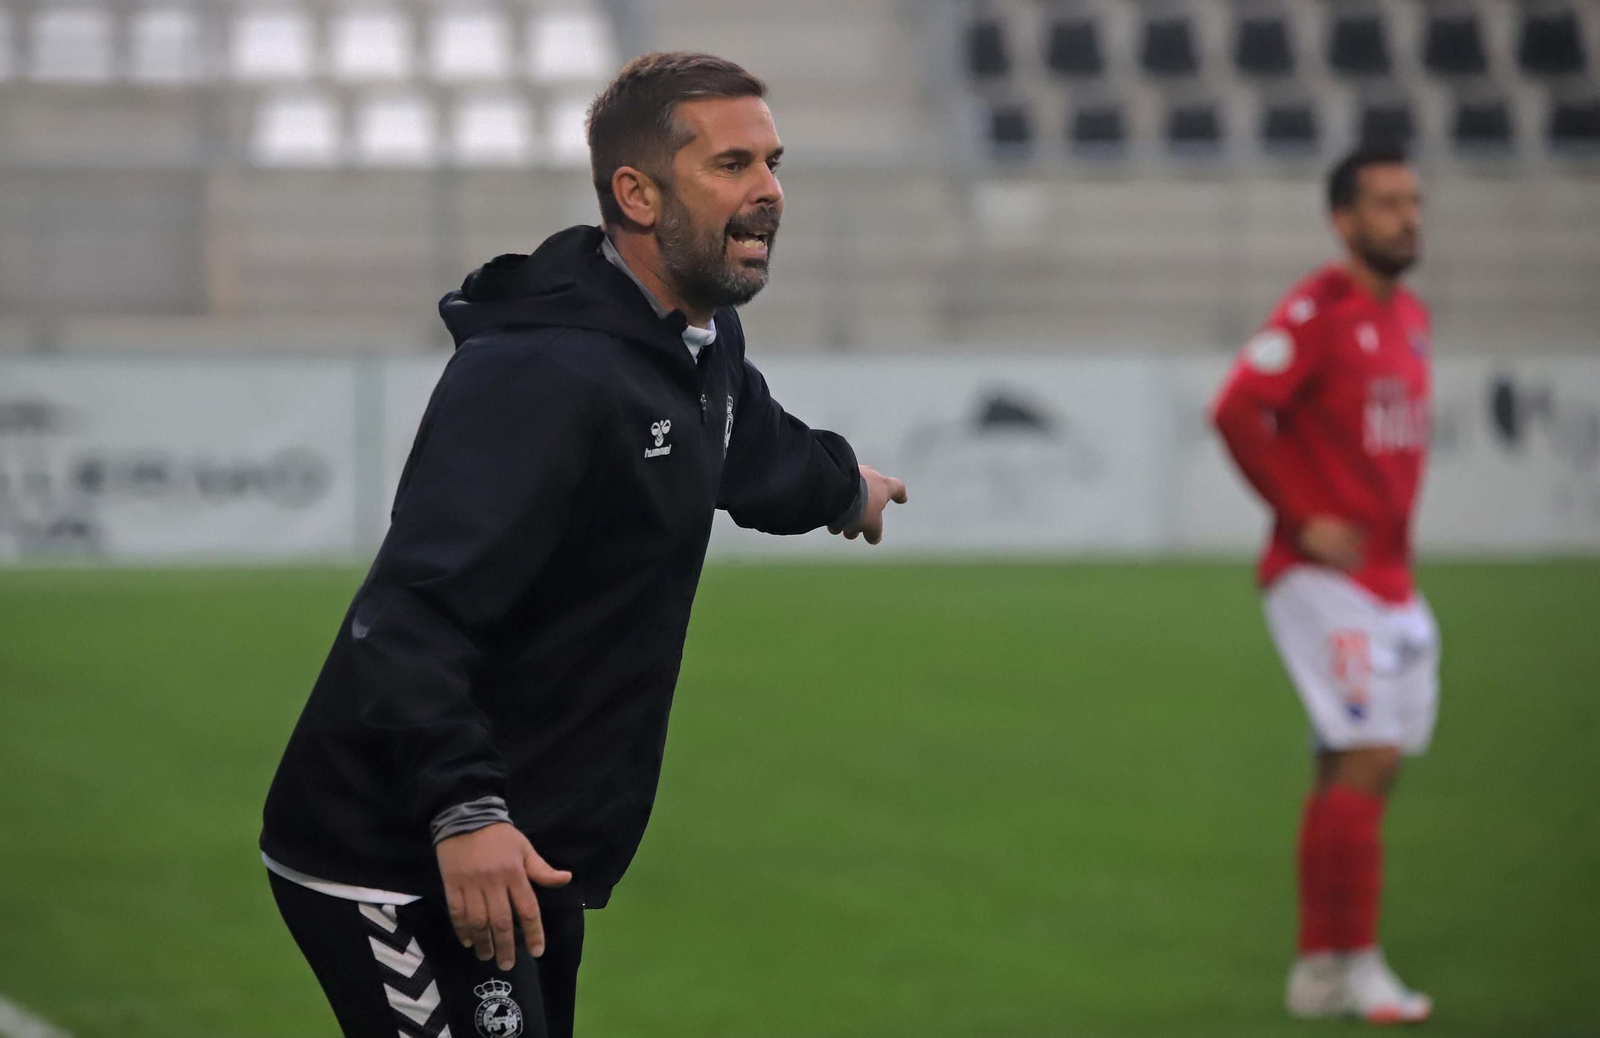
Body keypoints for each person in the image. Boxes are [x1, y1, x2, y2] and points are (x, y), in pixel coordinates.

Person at [260, 51, 907, 1038]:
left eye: (773, 164)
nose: (770, 191)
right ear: (637, 195)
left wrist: (842, 487)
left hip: (527, 844)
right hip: (396, 849)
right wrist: (464, 811)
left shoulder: (691, 342)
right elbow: (410, 616)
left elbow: (747, 447)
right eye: (732, 164)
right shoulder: (541, 373)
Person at [1210, 142, 1436, 1024]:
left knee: (1355, 766)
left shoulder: (1409, 315)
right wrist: (1303, 516)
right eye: (1387, 204)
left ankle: (1316, 968)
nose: (1408, 219)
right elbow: (1237, 407)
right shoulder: (1318, 310)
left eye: (1413, 202)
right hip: (1319, 576)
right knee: (1369, 754)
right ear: (1344, 220)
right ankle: (1359, 966)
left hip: (1388, 579)